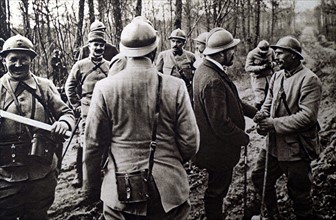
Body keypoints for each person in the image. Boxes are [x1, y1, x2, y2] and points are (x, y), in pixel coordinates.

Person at [83, 19, 199, 219]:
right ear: (155, 51)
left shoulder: (104, 88)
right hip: (169, 192)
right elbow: (190, 142)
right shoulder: (176, 86)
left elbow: (93, 145)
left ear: (123, 52)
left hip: (120, 191)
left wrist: (92, 187)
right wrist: (169, 162)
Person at [0, 34, 75, 219]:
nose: (18, 64)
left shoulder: (44, 86)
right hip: (6, 175)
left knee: (38, 214)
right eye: (13, 59)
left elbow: (67, 113)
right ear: (4, 60)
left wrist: (63, 124)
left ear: (31, 60)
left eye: (23, 59)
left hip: (42, 170)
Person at [251, 36, 322, 219]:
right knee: (259, 177)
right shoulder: (277, 76)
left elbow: (307, 117)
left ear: (293, 56)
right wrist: (262, 118)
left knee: (299, 194)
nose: (276, 56)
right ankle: (273, 215)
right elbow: (268, 103)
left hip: (296, 148)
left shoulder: (310, 80)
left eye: (281, 53)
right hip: (273, 146)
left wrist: (273, 124)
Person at [193, 27, 257, 220]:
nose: (234, 53)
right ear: (221, 54)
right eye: (231, 50)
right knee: (216, 192)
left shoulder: (206, 69)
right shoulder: (213, 80)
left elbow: (232, 101)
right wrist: (243, 137)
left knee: (216, 189)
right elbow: (220, 123)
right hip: (218, 151)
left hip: (213, 147)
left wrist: (255, 114)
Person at [65, 30, 110, 187]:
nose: (98, 48)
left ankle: (102, 174)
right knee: (84, 143)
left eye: (101, 45)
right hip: (86, 110)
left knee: (105, 141)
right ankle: (80, 175)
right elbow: (69, 86)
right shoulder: (81, 65)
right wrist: (76, 104)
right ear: (89, 46)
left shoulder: (109, 66)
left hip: (105, 111)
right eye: (95, 44)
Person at [156, 28, 196, 100]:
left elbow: (195, 77)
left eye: (178, 42)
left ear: (184, 43)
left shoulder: (191, 57)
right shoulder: (163, 55)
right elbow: (157, 77)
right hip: (168, 94)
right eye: (173, 41)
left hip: (186, 93)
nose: (175, 44)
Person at [245, 40, 276, 110]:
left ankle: (269, 115)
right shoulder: (252, 54)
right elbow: (247, 68)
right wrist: (260, 67)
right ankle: (256, 114)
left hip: (269, 77)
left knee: (270, 96)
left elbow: (276, 61)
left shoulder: (271, 51)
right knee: (260, 99)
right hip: (258, 78)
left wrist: (272, 64)